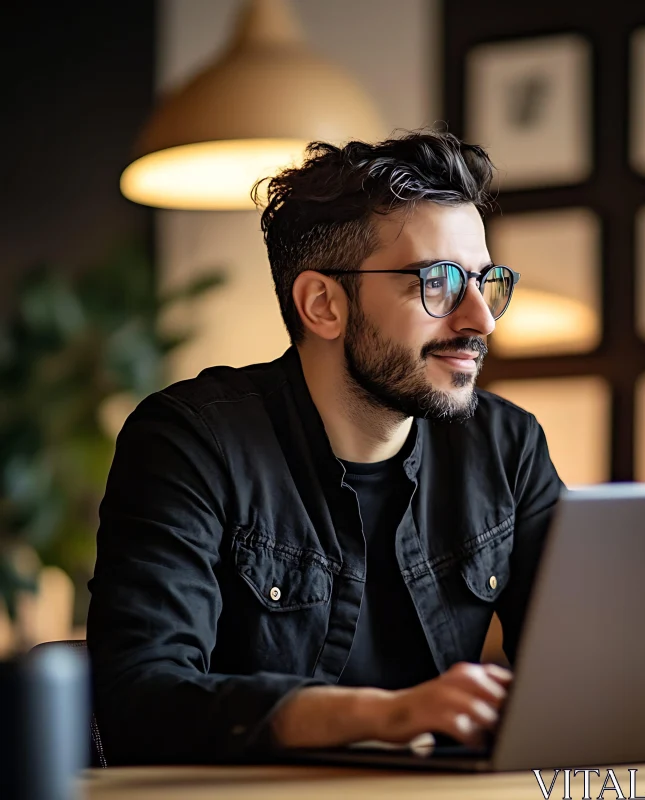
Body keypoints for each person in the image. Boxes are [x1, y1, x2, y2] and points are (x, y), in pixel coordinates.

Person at [87, 130, 563, 765]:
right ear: (322, 304)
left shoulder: (508, 447)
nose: (480, 318)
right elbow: (140, 700)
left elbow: (585, 674)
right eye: (439, 282)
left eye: (485, 281)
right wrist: (387, 715)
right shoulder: (191, 442)